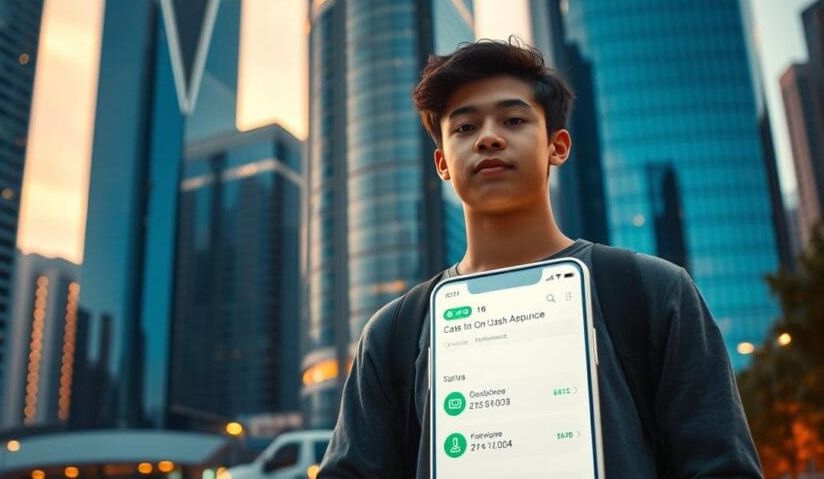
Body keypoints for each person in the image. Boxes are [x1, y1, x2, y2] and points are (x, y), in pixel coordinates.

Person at [317, 38, 762, 478]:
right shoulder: (395, 332)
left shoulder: (653, 291)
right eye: (465, 127)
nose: (489, 138)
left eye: (513, 120)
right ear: (442, 163)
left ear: (558, 146)